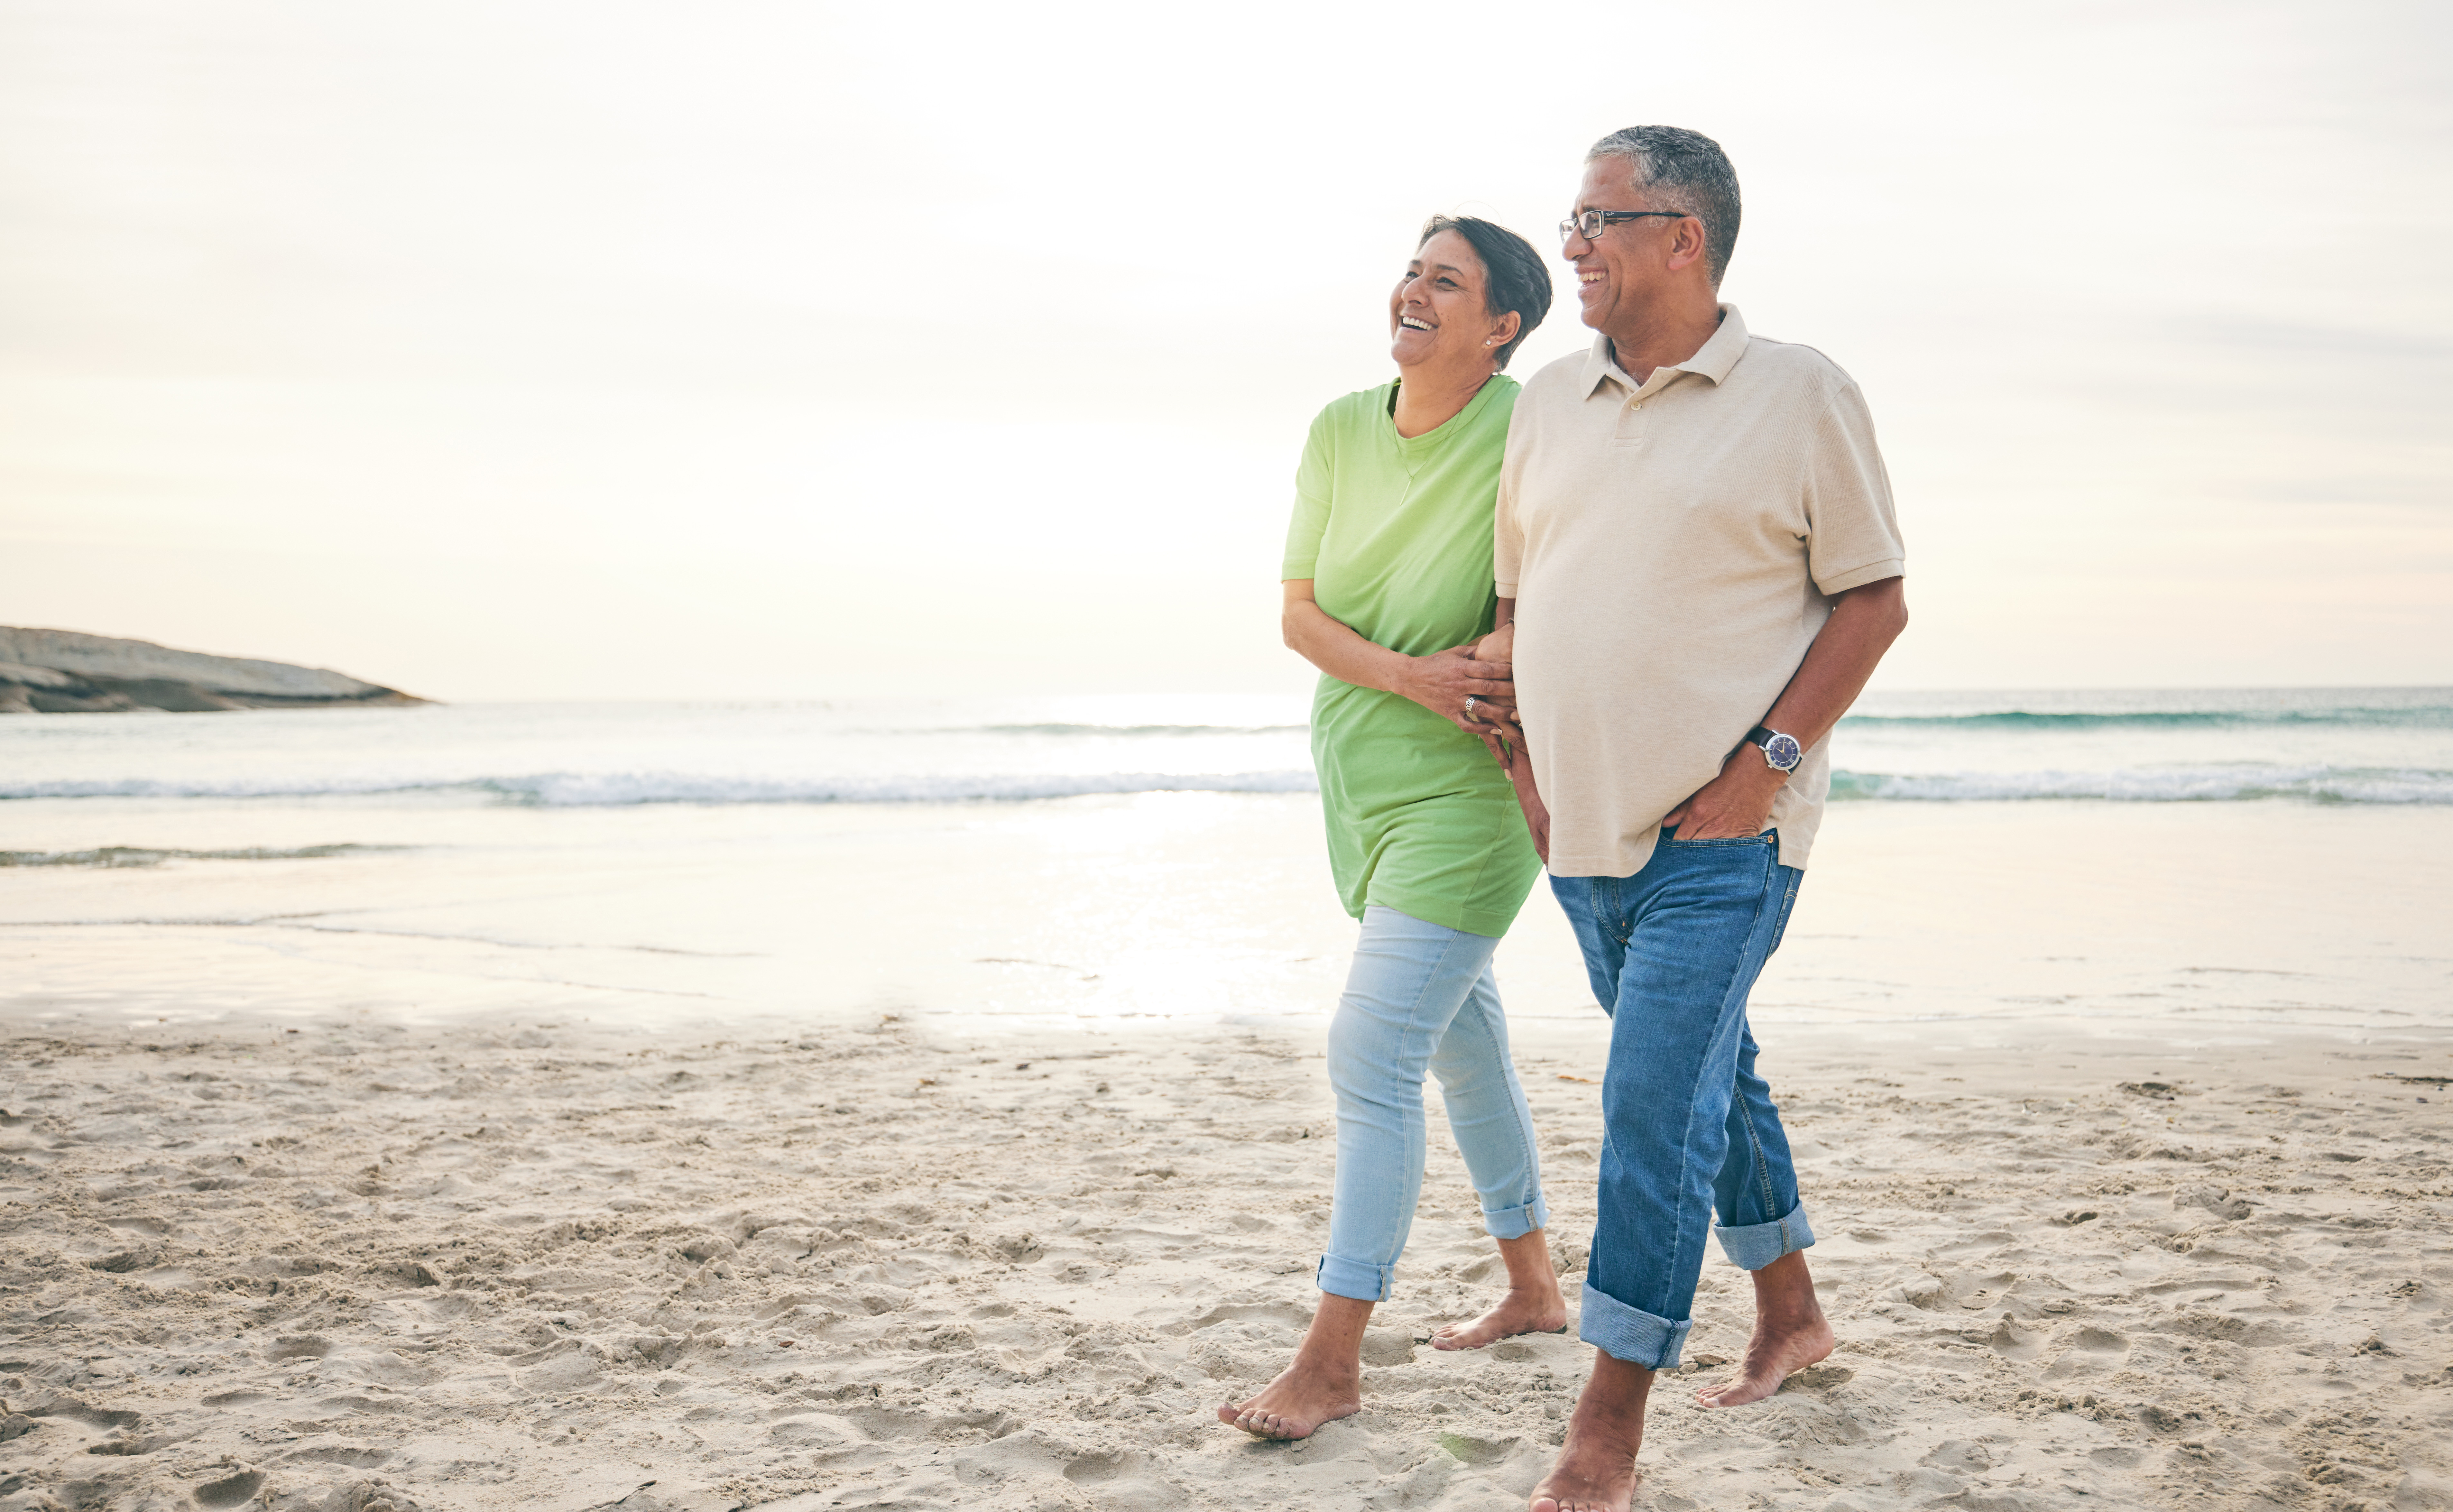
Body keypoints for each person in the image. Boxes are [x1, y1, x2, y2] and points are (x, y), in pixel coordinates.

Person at [1466, 127, 1911, 1512]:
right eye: (1572, 217)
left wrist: (1762, 767)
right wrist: (1529, 780)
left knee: (1651, 1104)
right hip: (1579, 834)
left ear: (1683, 236)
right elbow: (1516, 610)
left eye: (1598, 219)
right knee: (1712, 1075)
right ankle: (1791, 1310)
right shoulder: (1545, 399)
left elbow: (1873, 598)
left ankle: (1604, 1430)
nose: (1573, 246)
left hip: (1726, 840)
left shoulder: (1797, 391)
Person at [1216, 215, 1564, 1443]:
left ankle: (1331, 1358)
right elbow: (1299, 616)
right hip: (1358, 768)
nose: (1412, 291)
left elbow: (1582, 565)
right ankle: (1532, 1289)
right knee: (1463, 1044)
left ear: (1503, 325)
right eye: (1412, 271)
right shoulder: (1337, 426)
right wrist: (1410, 678)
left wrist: (1519, 659)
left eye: (1446, 280)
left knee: (1370, 1056)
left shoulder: (1533, 423)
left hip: (1473, 790)